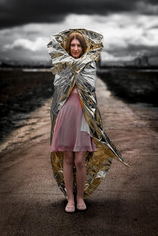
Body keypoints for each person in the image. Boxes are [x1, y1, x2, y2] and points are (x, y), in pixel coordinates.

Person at [47, 28, 128, 213]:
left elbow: (89, 88)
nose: (75, 48)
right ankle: (70, 199)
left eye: (79, 45)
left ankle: (80, 197)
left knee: (80, 160)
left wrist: (77, 68)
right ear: (68, 48)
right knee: (68, 158)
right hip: (66, 115)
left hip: (84, 116)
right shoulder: (62, 65)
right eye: (72, 45)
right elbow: (59, 91)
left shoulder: (90, 65)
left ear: (83, 48)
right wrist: (71, 68)